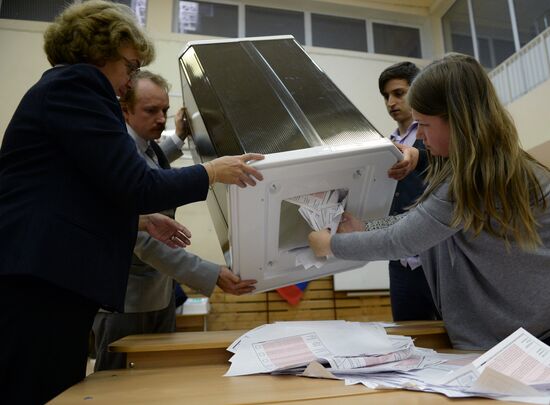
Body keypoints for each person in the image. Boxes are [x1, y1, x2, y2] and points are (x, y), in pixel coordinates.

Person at [0, 2, 264, 403]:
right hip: (45, 276)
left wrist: (139, 222)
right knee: (41, 387)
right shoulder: (79, 86)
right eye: (130, 66)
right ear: (98, 52)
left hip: (47, 273)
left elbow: (82, 193)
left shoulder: (60, 91)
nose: (128, 79)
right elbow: (136, 184)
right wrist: (213, 172)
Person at [309, 53, 550, 351]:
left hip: (525, 339)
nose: (420, 135)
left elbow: (403, 240)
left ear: (458, 120)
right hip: (521, 333)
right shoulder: (482, 168)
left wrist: (330, 246)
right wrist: (367, 226)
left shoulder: (475, 180)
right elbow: (422, 221)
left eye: (424, 124)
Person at [92, 71, 257, 371]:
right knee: (115, 385)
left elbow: (154, 170)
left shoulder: (146, 146)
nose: (160, 118)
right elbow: (143, 242)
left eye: (165, 110)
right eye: (150, 110)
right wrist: (210, 273)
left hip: (158, 294)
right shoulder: (118, 153)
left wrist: (179, 136)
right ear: (125, 110)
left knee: (158, 378)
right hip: (125, 300)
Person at [378, 61, 439, 321]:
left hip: (437, 260)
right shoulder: (381, 147)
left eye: (399, 93)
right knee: (408, 339)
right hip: (400, 264)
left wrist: (416, 154)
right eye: (386, 96)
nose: (391, 101)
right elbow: (388, 211)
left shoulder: (436, 136)